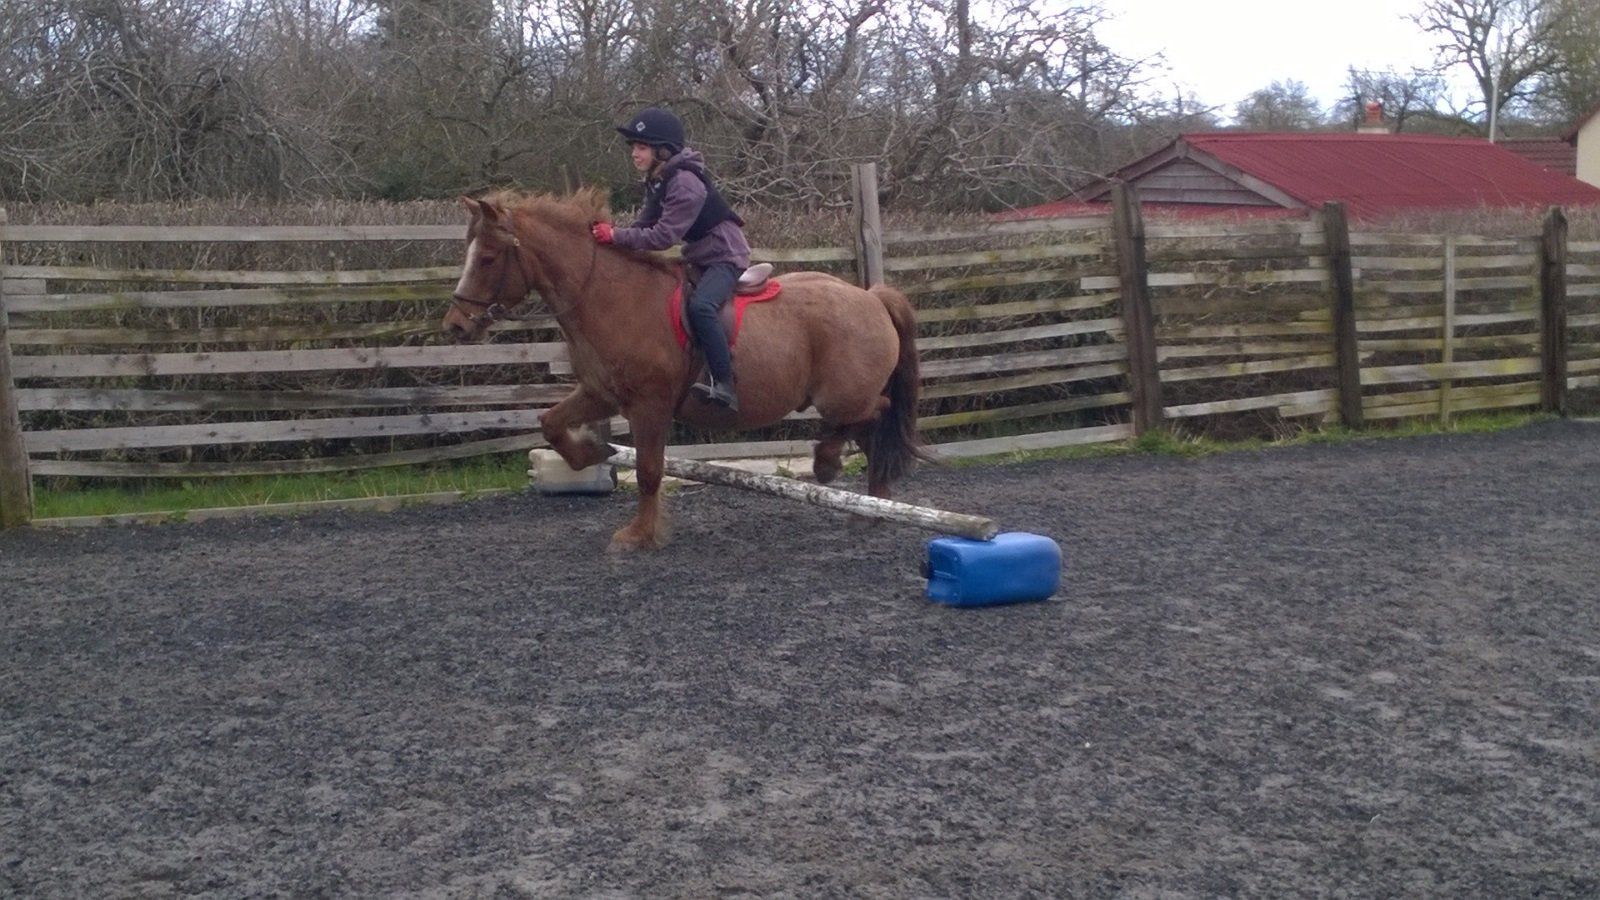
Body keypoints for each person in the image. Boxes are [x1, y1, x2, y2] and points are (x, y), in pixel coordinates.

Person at [591, 107, 751, 412]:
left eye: (641, 147)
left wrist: (615, 236)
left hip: (725, 257)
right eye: (634, 148)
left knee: (701, 306)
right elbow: (642, 227)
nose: (634, 154)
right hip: (701, 257)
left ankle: (725, 382)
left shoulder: (685, 183)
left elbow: (662, 237)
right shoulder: (660, 179)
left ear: (663, 151)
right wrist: (609, 245)